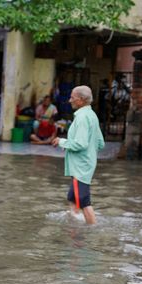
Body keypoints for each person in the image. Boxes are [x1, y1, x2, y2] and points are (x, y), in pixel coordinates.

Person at [51, 86, 105, 225]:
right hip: (86, 164)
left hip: (80, 167)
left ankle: (92, 232)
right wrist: (89, 154)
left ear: (80, 100)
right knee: (72, 197)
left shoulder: (81, 118)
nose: (70, 100)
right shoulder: (92, 115)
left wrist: (62, 142)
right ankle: (74, 226)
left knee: (83, 201)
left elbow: (80, 144)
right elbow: (100, 143)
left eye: (72, 97)